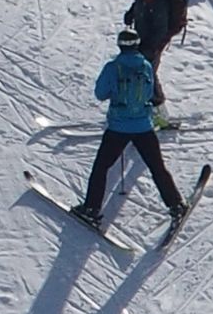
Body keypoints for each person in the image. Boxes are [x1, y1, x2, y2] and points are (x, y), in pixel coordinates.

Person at [71, 28, 187, 226]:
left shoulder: (112, 67)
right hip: (143, 126)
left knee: (101, 167)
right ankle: (175, 204)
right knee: (157, 167)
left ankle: (91, 208)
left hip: (118, 127)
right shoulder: (146, 66)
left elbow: (100, 93)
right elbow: (150, 92)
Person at [118, 0, 186, 121]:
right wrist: (131, 13)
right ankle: (142, 107)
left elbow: (160, 29)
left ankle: (160, 115)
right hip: (143, 39)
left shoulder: (157, 0)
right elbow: (140, 3)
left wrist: (151, 48)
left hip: (154, 43)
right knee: (139, 72)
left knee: (148, 74)